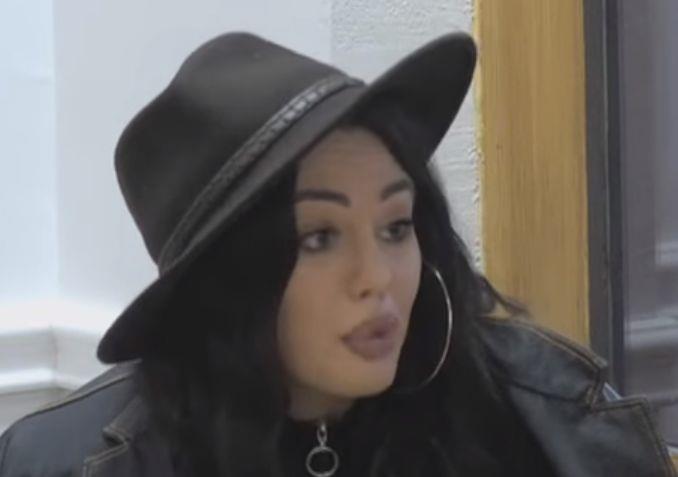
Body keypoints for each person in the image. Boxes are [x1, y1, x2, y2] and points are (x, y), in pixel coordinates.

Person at [0, 31, 675, 477]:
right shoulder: (69, 462)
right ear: (226, 283)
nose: (378, 278)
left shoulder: (542, 421)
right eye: (318, 238)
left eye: (396, 227)